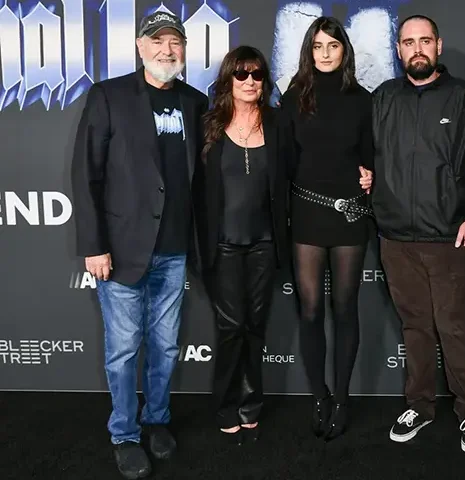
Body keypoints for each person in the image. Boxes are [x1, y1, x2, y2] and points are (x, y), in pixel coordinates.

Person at [70, 11, 207, 479]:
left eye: (175, 42)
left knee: (166, 349)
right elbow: (86, 173)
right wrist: (94, 244)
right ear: (139, 45)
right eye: (158, 42)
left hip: (173, 249)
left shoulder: (195, 101)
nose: (167, 50)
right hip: (121, 249)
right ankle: (125, 434)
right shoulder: (109, 96)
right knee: (124, 350)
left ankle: (157, 421)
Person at [372, 14, 465, 454]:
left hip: (449, 238)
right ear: (399, 49)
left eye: (425, 40)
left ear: (439, 46)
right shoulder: (384, 97)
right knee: (415, 328)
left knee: (455, 328)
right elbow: (369, 156)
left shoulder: (464, 97)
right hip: (394, 238)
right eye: (408, 42)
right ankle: (420, 406)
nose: (417, 49)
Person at [279, 16, 374, 441]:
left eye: (333, 46)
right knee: (312, 309)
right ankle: (319, 394)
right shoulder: (295, 95)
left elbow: (371, 155)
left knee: (345, 309)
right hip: (306, 211)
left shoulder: (362, 98)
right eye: (318, 46)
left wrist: (370, 175)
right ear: (308, 50)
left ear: (344, 50)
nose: (325, 53)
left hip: (351, 213)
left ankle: (342, 400)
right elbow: (282, 159)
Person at [193, 46, 288, 445]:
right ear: (229, 78)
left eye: (257, 74)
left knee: (254, 326)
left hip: (266, 243)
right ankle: (225, 404)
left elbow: (308, 167)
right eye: (242, 74)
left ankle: (252, 403)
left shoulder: (279, 124)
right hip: (224, 245)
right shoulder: (208, 125)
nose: (250, 81)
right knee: (231, 327)